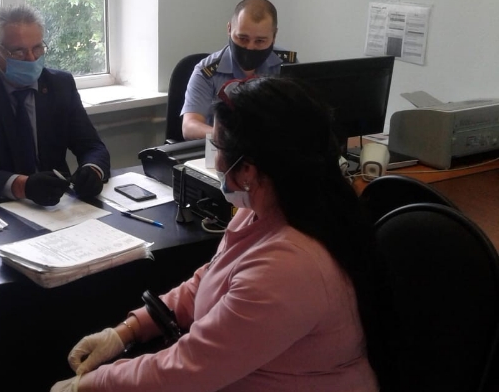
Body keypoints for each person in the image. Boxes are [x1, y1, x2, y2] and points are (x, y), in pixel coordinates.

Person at [51, 77, 380, 392]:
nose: (216, 160)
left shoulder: (290, 266)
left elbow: (187, 369)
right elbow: (209, 280)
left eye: (217, 146)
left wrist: (89, 385)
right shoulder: (264, 210)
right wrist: (129, 331)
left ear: (248, 170)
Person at [0, 5, 110, 206]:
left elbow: (92, 146)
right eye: (19, 52)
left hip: (55, 202)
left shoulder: (60, 85)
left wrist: (93, 170)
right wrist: (22, 186)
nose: (31, 58)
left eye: (37, 48)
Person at [181, 0, 296, 140]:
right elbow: (189, 127)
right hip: (224, 146)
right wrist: (230, 138)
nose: (250, 47)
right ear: (229, 29)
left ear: (274, 36)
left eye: (260, 41)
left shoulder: (287, 65)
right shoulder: (207, 71)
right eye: (243, 38)